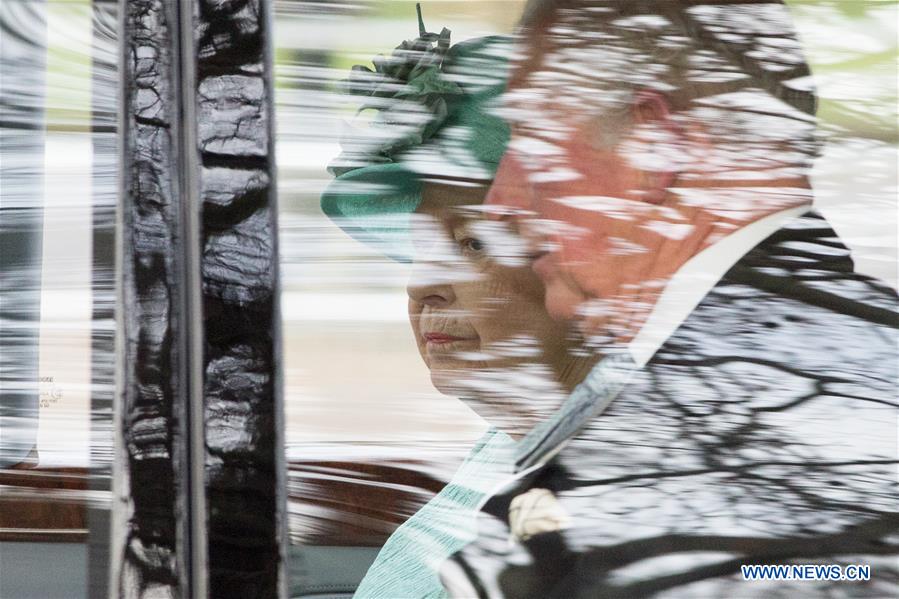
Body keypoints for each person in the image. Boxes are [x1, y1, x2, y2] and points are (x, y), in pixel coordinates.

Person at [441, 1, 899, 597]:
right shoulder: (829, 356)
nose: (501, 202)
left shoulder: (722, 418)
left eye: (530, 140)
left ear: (651, 146)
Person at [315, 18, 594, 598]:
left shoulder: (609, 474)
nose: (422, 287)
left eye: (471, 243)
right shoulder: (512, 444)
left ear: (586, 263)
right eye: (422, 249)